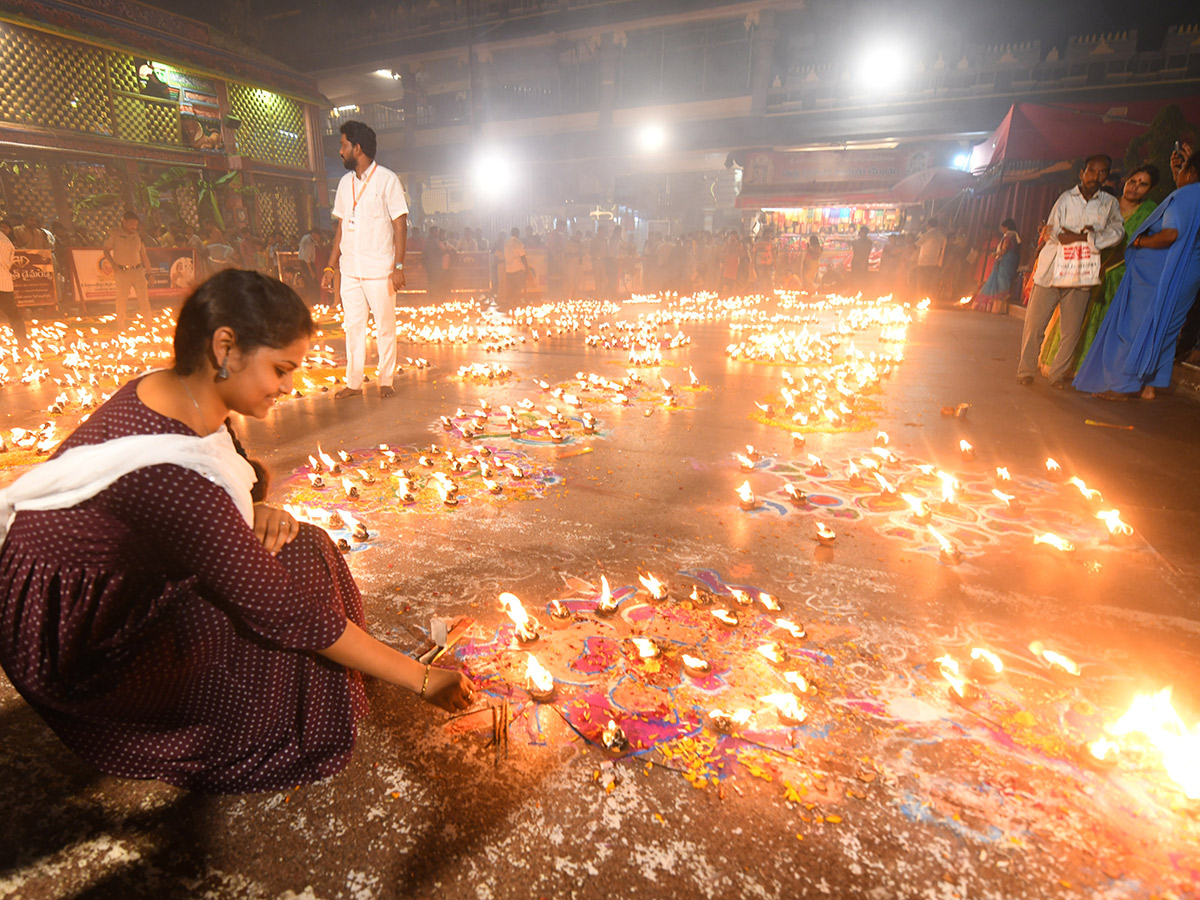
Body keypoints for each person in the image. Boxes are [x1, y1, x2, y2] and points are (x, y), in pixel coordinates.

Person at [0, 270, 476, 793]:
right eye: (280, 368)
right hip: (78, 645)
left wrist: (252, 509)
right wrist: (422, 680)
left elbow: (227, 471)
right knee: (289, 607)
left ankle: (349, 670)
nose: (288, 387)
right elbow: (284, 612)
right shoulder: (173, 478)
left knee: (306, 544)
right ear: (225, 346)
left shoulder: (177, 391)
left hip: (98, 589)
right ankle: (282, 715)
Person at [1074, 152, 1200, 400]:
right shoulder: (1194, 196)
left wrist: (1141, 241)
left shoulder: (1185, 196)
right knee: (1163, 329)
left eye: (1184, 169)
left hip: (1164, 276)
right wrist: (1178, 177)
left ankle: (1122, 386)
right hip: (1189, 276)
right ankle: (1149, 386)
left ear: (1192, 172)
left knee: (1137, 327)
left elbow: (1171, 234)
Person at [1038, 165, 1160, 373]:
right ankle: (1060, 367)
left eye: (1143, 184)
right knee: (1072, 321)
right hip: (1082, 267)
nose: (1135, 188)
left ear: (1150, 190)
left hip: (1115, 276)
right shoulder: (1104, 203)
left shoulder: (1148, 213)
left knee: (1098, 323)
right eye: (1133, 181)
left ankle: (1086, 371)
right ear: (1125, 181)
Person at [1016, 155, 1124, 388]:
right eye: (1092, 171)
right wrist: (1078, 236)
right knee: (1035, 325)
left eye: (1102, 172)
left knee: (1071, 331)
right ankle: (1026, 370)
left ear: (1107, 175)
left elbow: (1117, 233)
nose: (1096, 176)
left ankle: (1058, 375)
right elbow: (1052, 232)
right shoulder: (1066, 199)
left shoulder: (1109, 204)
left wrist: (1085, 237)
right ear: (1082, 173)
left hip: (1082, 273)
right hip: (1052, 271)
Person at [321, 120, 407, 400]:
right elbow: (342, 227)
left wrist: (399, 267)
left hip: (380, 270)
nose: (340, 151)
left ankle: (386, 381)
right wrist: (330, 265)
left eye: (344, 145)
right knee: (353, 328)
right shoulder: (345, 184)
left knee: (384, 326)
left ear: (357, 148)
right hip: (351, 270)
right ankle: (354, 383)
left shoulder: (387, 180)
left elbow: (400, 225)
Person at [103, 210, 153, 331]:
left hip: (138, 271)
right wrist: (113, 264)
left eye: (135, 225)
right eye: (131, 224)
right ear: (124, 222)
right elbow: (106, 250)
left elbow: (144, 256)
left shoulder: (138, 236)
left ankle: (149, 326)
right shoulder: (115, 234)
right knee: (121, 300)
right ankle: (121, 326)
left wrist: (150, 273)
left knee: (144, 300)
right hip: (122, 272)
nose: (134, 227)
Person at [970, 219, 1022, 313]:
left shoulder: (1008, 237)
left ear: (1006, 227)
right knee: (1005, 281)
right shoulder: (1015, 236)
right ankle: (999, 305)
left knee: (1001, 281)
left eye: (1003, 228)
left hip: (1005, 261)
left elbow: (1004, 250)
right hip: (1012, 261)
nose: (1002, 230)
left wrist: (995, 254)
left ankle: (997, 305)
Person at [0, 218, 27, 344]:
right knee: (12, 313)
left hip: (3, 281)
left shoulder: (5, 242)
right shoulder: (8, 243)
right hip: (4, 281)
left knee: (12, 312)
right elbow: (9, 263)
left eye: (5, 227)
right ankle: (22, 340)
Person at [914, 217, 946, 298]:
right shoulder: (942, 235)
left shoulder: (928, 234)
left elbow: (916, 244)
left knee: (921, 283)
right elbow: (943, 251)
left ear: (928, 225)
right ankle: (928, 299)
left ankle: (920, 298)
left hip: (923, 262)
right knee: (930, 283)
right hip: (934, 263)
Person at [504, 227, 527, 302]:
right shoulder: (518, 243)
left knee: (511, 287)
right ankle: (513, 299)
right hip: (517, 268)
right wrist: (526, 267)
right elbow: (523, 256)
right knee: (520, 285)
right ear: (518, 234)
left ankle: (513, 301)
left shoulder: (506, 243)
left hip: (508, 269)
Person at [850, 225, 872, 293]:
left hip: (861, 262)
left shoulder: (867, 242)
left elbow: (866, 253)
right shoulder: (858, 241)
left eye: (861, 231)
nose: (859, 232)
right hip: (856, 262)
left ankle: (862, 291)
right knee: (855, 277)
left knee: (862, 278)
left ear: (864, 233)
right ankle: (857, 291)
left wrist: (863, 262)